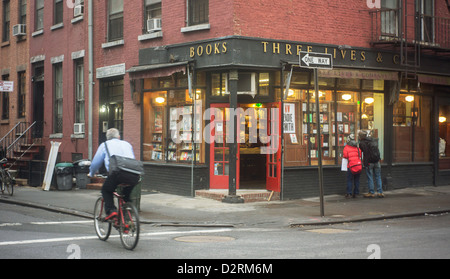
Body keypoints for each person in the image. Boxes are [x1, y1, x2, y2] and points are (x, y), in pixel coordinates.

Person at [89, 128, 140, 220]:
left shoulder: (104, 145)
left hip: (117, 174)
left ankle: (111, 210)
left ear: (107, 138)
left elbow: (95, 163)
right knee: (126, 196)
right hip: (134, 174)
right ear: (119, 137)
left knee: (106, 190)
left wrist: (91, 173)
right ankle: (127, 216)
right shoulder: (127, 144)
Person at [358, 130, 384, 198]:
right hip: (377, 161)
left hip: (369, 162)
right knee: (378, 176)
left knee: (370, 177)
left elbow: (363, 152)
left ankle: (371, 192)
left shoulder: (362, 143)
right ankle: (380, 192)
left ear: (361, 137)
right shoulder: (373, 140)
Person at [343, 134, 362, 198]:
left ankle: (349, 193)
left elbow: (345, 156)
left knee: (349, 180)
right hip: (358, 165)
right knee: (357, 180)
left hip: (351, 166)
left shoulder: (346, 147)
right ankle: (356, 193)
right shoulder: (357, 147)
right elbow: (360, 155)